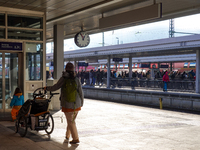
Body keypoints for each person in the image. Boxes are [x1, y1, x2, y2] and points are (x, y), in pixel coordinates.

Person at [45, 62, 84, 144]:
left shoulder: (64, 78)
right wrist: (82, 102)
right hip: (76, 105)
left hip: (67, 104)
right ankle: (67, 135)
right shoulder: (76, 79)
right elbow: (81, 91)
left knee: (71, 121)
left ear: (66, 69)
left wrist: (47, 88)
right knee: (71, 121)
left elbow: (55, 87)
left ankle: (76, 138)